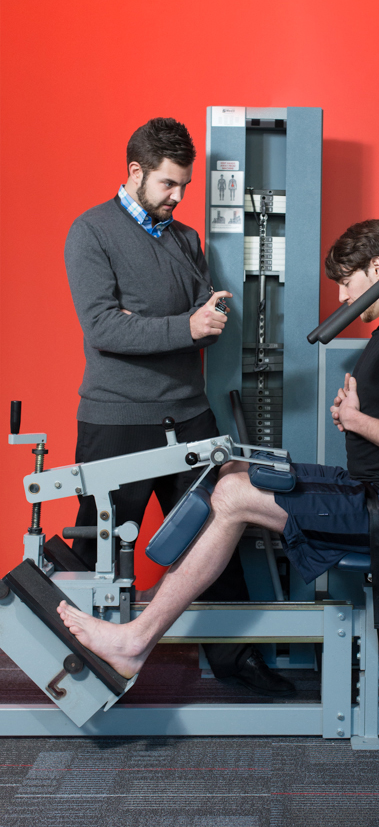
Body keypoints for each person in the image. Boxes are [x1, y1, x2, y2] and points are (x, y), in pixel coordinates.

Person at [58, 218, 379, 681]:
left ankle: (136, 639)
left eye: (347, 284)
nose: (344, 298)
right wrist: (359, 414)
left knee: (232, 497)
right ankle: (160, 600)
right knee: (229, 475)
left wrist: (357, 420)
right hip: (367, 491)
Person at [64, 117, 293, 695]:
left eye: (184, 185)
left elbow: (198, 318)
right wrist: (184, 327)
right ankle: (83, 667)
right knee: (98, 549)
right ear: (135, 172)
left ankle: (237, 663)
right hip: (116, 418)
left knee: (219, 534)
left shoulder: (185, 237)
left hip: (189, 417)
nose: (178, 196)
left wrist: (205, 323)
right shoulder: (90, 232)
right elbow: (103, 328)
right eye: (169, 184)